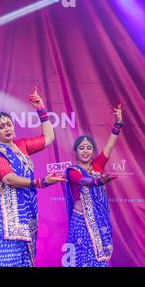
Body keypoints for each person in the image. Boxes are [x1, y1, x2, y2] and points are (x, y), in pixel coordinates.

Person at [0, 87, 66, 267]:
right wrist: (41, 182)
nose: (7, 129)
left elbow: (49, 137)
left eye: (9, 125)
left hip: (24, 213)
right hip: (1, 216)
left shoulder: (22, 146)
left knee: (22, 259)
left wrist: (40, 108)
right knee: (1, 259)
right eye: (1, 127)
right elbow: (8, 178)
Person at [64, 103, 123, 267]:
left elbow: (110, 146)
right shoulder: (72, 170)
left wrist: (118, 123)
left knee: (98, 260)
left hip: (98, 220)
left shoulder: (97, 165)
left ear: (92, 151)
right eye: (81, 148)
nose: (85, 150)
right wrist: (98, 181)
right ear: (75, 152)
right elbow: (83, 181)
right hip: (81, 221)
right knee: (83, 258)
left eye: (89, 148)